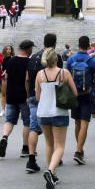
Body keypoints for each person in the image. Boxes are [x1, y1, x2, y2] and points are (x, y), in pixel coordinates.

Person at [35, 47, 78, 189]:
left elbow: (37, 97)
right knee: (60, 146)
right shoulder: (64, 73)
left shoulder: (39, 74)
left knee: (49, 144)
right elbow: (75, 92)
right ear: (56, 59)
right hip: (59, 112)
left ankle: (52, 173)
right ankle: (50, 170)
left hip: (43, 112)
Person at [25, 34, 63, 174]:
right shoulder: (56, 57)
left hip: (35, 95)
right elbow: (60, 78)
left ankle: (31, 159)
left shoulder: (34, 57)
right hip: (52, 98)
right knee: (54, 129)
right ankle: (55, 158)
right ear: (54, 44)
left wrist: (28, 94)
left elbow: (28, 78)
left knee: (34, 128)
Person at [65, 35, 95, 165]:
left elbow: (66, 78)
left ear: (78, 45)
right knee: (85, 123)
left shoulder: (71, 59)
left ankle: (79, 149)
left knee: (77, 123)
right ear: (88, 47)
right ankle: (78, 150)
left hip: (75, 95)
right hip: (88, 95)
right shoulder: (92, 61)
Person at [0, 40, 34, 159]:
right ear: (28, 49)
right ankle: (25, 148)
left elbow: (6, 76)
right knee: (27, 122)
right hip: (23, 96)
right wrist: (28, 95)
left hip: (11, 94)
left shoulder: (11, 60)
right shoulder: (29, 62)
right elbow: (27, 79)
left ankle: (4, 137)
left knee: (9, 120)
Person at [0, 44, 14, 117]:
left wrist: (7, 71)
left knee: (11, 94)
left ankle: (12, 110)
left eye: (9, 49)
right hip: (4, 78)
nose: (8, 50)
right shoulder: (2, 58)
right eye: (7, 49)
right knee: (3, 94)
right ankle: (3, 110)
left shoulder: (13, 58)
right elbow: (0, 68)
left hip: (12, 78)